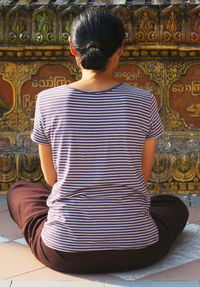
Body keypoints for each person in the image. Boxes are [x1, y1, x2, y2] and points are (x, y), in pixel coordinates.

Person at [7, 8, 188, 274]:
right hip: (139, 249)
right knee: (172, 205)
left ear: (72, 49)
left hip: (65, 252)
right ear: (121, 49)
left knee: (21, 191)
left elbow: (52, 179)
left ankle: (70, 223)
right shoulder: (143, 100)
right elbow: (144, 174)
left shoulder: (47, 100)